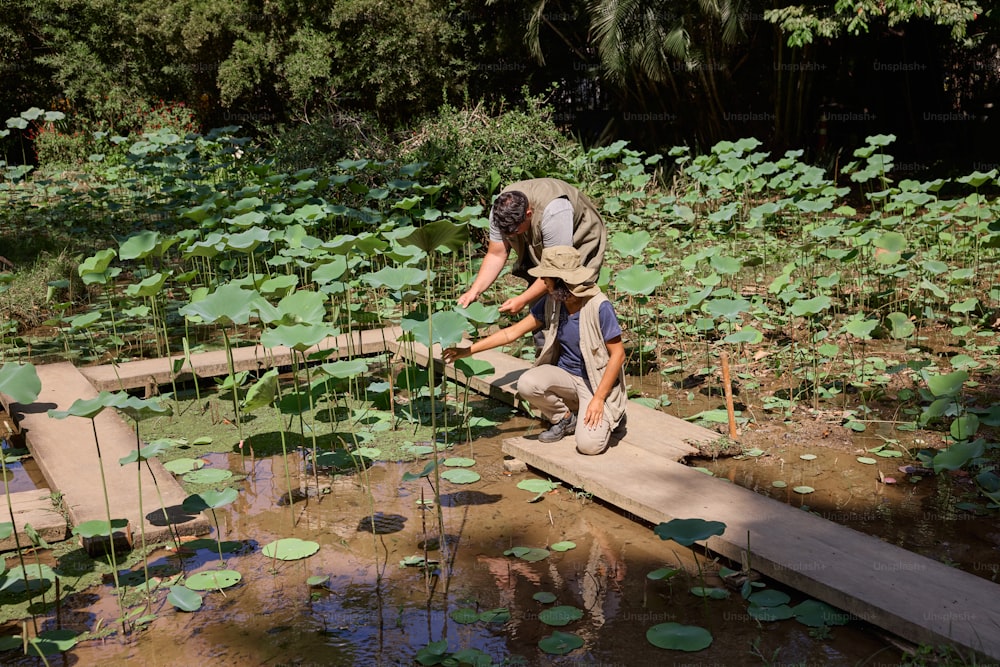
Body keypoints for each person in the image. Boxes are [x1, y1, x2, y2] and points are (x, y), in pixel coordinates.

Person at [443, 246, 627, 455]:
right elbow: (510, 334)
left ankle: (612, 414)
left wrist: (598, 399)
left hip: (594, 383)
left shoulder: (598, 306)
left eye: (546, 278)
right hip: (565, 376)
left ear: (560, 280)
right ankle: (565, 419)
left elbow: (618, 355)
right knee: (528, 383)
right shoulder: (553, 301)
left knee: (589, 446)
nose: (543, 283)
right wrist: (468, 351)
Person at [457, 178, 607, 315]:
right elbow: (496, 254)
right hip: (540, 241)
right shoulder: (499, 213)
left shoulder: (554, 211)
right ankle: (545, 337)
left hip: (580, 237)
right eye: (505, 232)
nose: (509, 235)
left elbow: (557, 268)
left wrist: (522, 299)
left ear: (528, 214)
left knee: (572, 296)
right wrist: (474, 291)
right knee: (540, 307)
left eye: (514, 231)